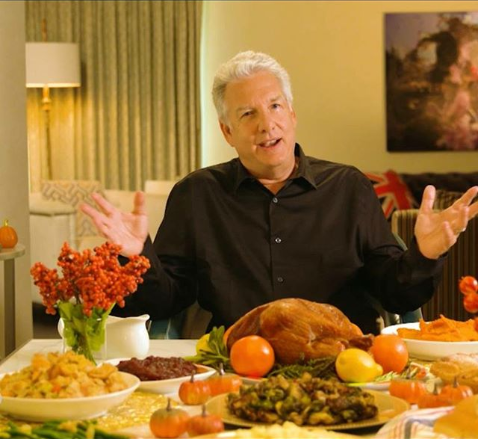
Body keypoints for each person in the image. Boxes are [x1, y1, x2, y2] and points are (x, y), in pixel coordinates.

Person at [82, 51, 478, 335]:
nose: (266, 124)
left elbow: (395, 294)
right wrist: (134, 258)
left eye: (274, 106)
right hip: (238, 363)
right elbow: (166, 301)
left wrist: (425, 253)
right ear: (227, 132)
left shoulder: (348, 187)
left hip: (343, 363)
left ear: (291, 113)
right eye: (247, 114)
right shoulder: (197, 195)